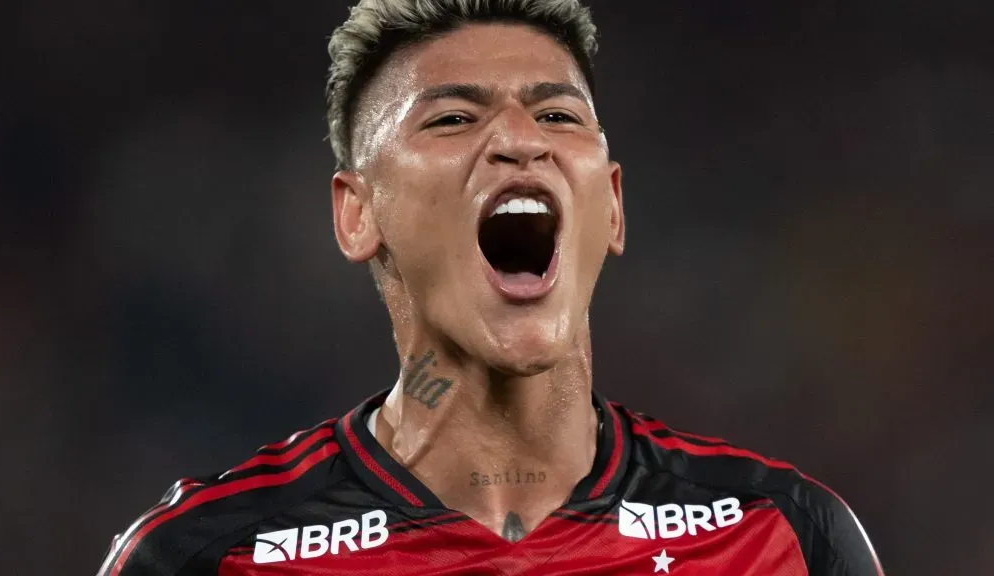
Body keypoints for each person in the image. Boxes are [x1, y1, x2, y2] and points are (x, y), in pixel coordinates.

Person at [97, 0, 885, 574]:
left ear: (611, 205)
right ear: (357, 214)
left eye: (558, 116)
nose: (517, 140)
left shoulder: (785, 537)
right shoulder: (205, 555)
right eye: (450, 120)